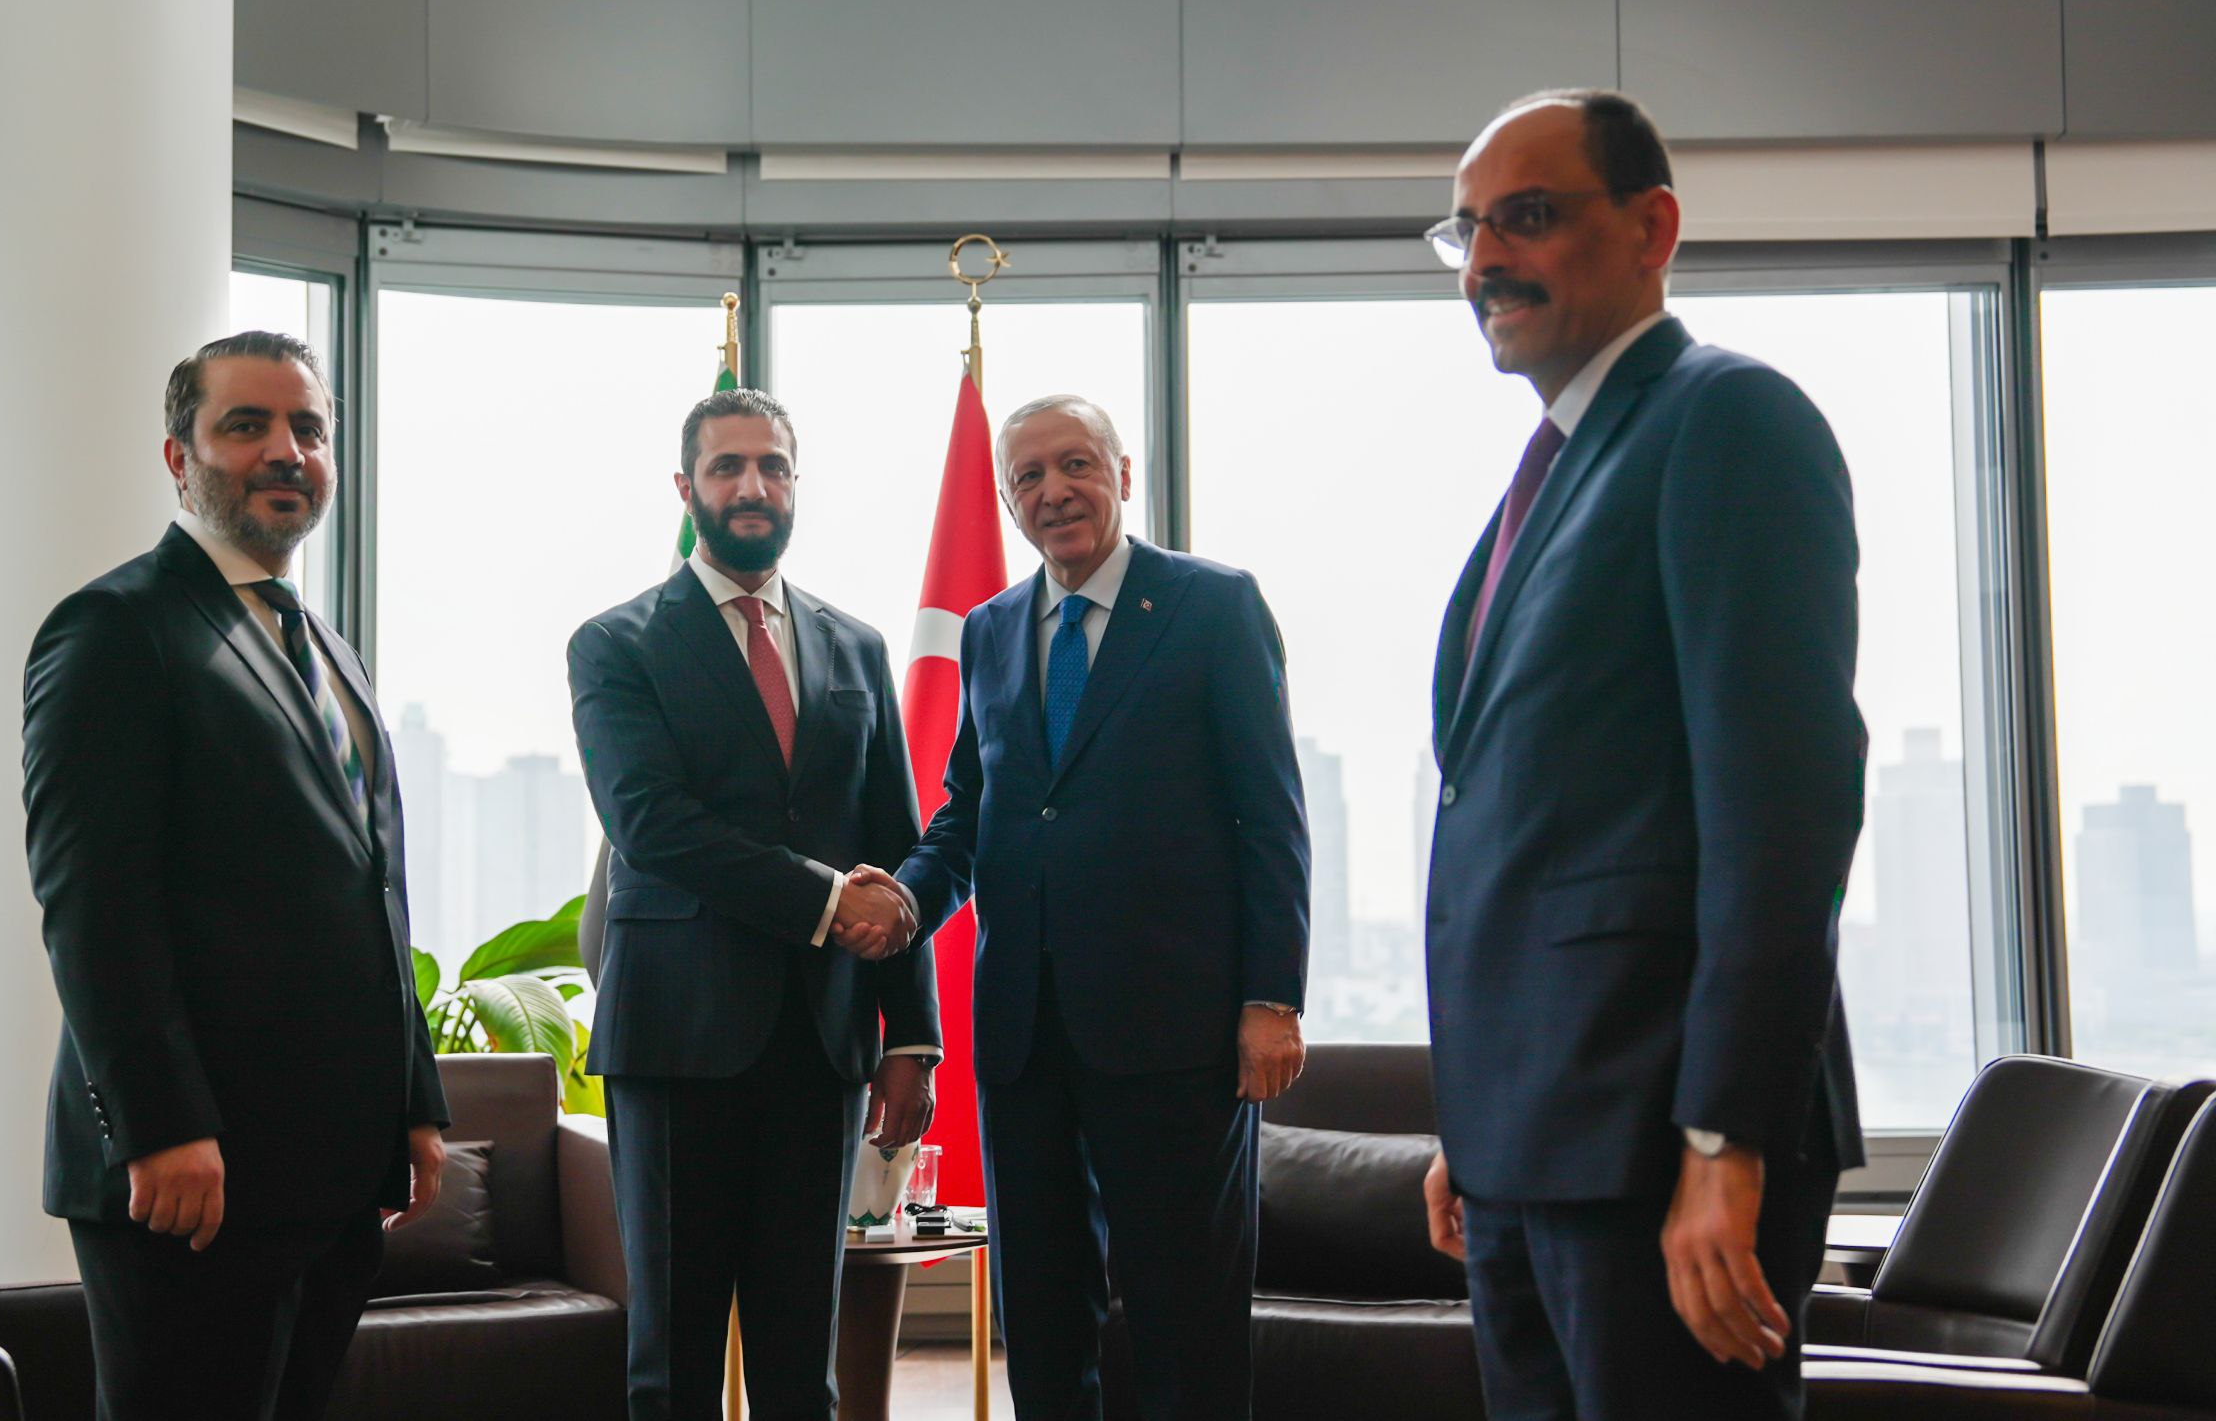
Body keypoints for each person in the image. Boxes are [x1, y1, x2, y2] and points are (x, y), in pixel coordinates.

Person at [1416, 89, 1869, 1420]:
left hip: (1662, 1143)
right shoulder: (1557, 468)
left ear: (1652, 225)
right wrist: (1480, 1126)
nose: (1489, 258)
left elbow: (1780, 808)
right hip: (1534, 1144)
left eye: (1532, 218)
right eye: (1469, 230)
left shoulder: (1725, 422)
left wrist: (1725, 1137)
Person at [22, 331, 448, 1420]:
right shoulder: (116, 628)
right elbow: (92, 900)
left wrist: (414, 1102)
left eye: (307, 427)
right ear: (178, 456)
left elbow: (370, 889)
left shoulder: (326, 645)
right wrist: (158, 1122)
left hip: (331, 1170)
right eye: (246, 424)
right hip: (192, 1175)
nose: (285, 450)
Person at [862, 394, 1309, 1421]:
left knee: (1182, 1315)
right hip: (1025, 1036)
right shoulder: (990, 629)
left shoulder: (1212, 606)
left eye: (1075, 464)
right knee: (1044, 1315)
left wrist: (1270, 997)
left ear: (1122, 473)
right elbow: (967, 815)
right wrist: (902, 900)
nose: (1053, 490)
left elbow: (1268, 817)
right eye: (1027, 475)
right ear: (1011, 499)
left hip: (1178, 1032)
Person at [568, 388, 941, 1421]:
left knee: (799, 1362)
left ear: (793, 485)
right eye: (727, 466)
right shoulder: (617, 643)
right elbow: (653, 823)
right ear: (686, 489)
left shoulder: (855, 647)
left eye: (771, 465)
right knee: (672, 1360)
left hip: (821, 1046)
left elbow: (893, 851)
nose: (751, 485)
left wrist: (910, 1033)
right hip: (677, 1041)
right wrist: (828, 902)